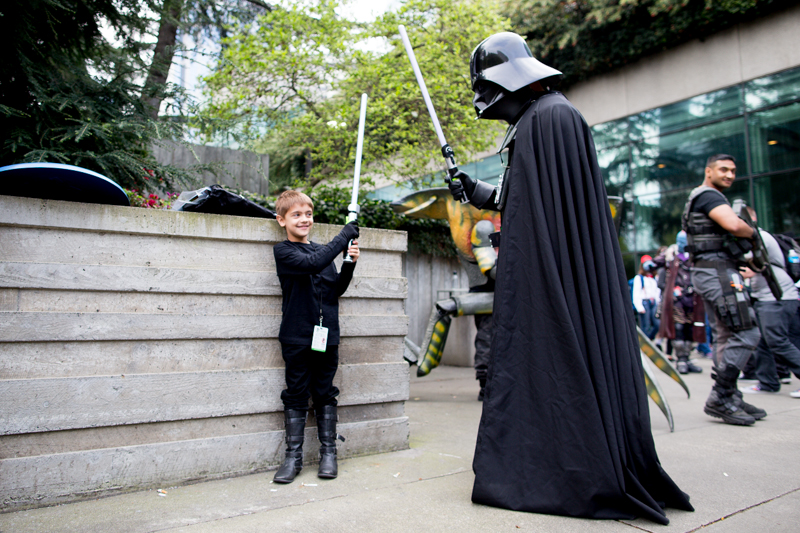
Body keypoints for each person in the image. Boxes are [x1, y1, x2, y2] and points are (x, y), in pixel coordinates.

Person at [446, 32, 692, 524]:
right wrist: (481, 192)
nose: (483, 101)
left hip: (555, 279)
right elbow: (534, 200)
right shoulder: (544, 119)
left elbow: (549, 215)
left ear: (508, 80)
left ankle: (570, 468)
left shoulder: (551, 118)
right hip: (550, 273)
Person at [271, 190, 360, 483]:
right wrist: (344, 235)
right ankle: (293, 458)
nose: (304, 219)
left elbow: (334, 291)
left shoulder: (324, 252)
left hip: (327, 335)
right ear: (281, 220)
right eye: (296, 214)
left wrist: (348, 263)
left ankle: (329, 454)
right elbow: (311, 264)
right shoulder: (283, 251)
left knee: (324, 392)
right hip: (297, 336)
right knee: (296, 393)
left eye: (308, 214)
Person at [681, 154, 765, 425]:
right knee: (747, 332)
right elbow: (732, 224)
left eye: (733, 170)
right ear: (709, 171)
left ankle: (730, 395)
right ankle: (721, 395)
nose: (730, 175)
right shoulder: (709, 196)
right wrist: (752, 232)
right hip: (716, 272)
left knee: (725, 335)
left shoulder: (702, 195)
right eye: (724, 169)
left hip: (711, 271)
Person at [738, 207, 800, 397]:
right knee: (763, 342)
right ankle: (767, 382)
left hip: (776, 297)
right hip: (771, 297)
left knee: (777, 341)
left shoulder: (759, 238)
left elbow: (749, 269)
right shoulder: (756, 239)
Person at [649, 231, 705, 374]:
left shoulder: (695, 256)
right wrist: (649, 263)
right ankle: (680, 360)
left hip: (693, 298)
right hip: (677, 299)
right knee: (678, 328)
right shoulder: (671, 256)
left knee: (691, 330)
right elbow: (653, 263)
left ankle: (686, 359)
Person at [632, 255, 661, 339]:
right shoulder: (639, 278)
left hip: (653, 303)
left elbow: (656, 291)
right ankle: (646, 345)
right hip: (644, 303)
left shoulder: (653, 278)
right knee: (646, 326)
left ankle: (650, 340)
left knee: (657, 324)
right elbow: (636, 293)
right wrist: (639, 307)